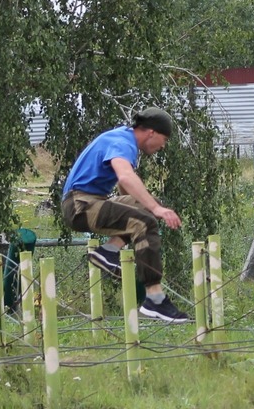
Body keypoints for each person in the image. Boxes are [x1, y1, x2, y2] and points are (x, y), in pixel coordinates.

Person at [60, 107, 190, 323]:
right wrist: (156, 211)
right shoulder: (122, 141)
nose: (163, 146)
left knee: (145, 209)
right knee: (144, 221)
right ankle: (155, 299)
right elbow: (126, 177)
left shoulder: (121, 139)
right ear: (151, 133)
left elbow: (122, 185)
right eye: (164, 139)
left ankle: (109, 250)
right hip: (80, 206)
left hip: (89, 202)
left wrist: (145, 206)